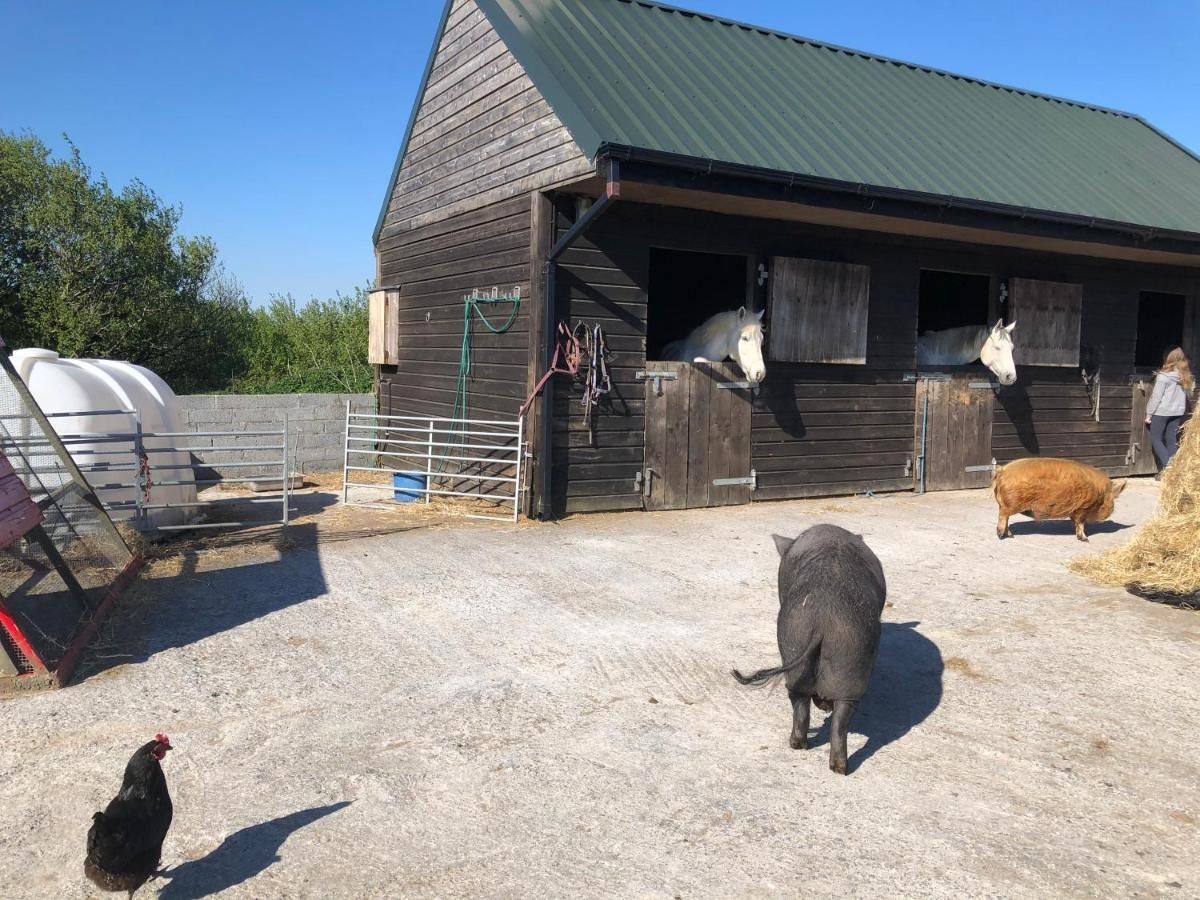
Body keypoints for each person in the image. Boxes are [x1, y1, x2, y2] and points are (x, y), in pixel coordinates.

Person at [1144, 346, 1194, 477]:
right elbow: (1188, 394)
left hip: (1162, 412)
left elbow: (1156, 397)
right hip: (1177, 412)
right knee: (1171, 440)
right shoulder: (1184, 376)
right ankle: (1174, 471)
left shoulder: (1163, 377)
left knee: (1156, 438)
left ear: (1168, 359)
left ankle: (1169, 469)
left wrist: (1149, 414)